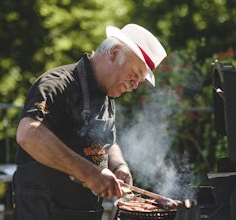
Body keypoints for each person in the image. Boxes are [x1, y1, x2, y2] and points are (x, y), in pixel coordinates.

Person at [12, 23, 167, 220]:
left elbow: (107, 143)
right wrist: (89, 173)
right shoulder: (57, 84)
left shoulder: (107, 97)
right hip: (44, 211)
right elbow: (29, 134)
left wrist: (119, 166)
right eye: (135, 75)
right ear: (114, 53)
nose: (135, 85)